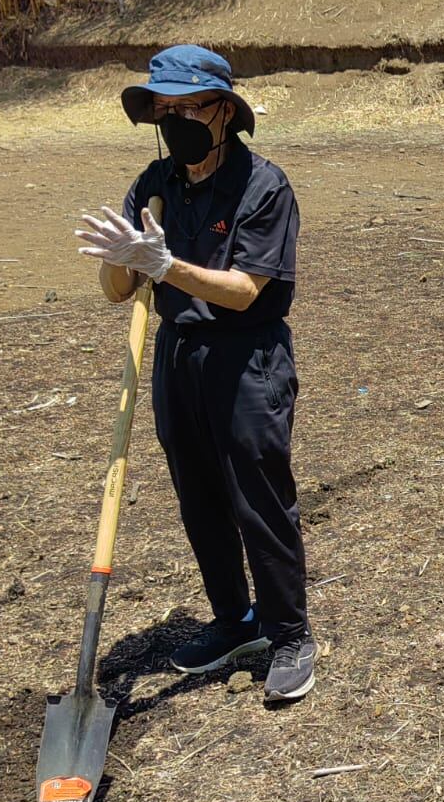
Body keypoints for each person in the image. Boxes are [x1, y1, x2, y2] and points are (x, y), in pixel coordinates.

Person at [76, 45, 318, 703]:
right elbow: (116, 292)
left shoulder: (262, 186)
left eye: (188, 107)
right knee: (200, 499)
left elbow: (244, 289)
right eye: (165, 109)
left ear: (224, 112)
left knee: (259, 500)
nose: (176, 118)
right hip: (178, 357)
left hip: (247, 359)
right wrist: (122, 254)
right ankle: (234, 620)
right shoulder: (155, 182)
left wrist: (165, 266)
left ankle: (289, 635)